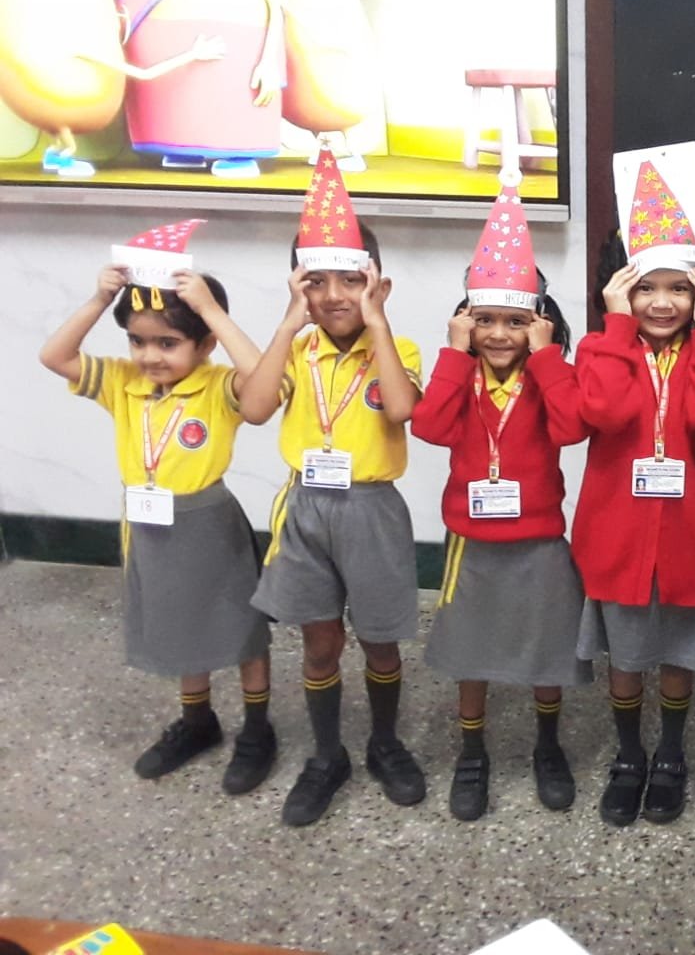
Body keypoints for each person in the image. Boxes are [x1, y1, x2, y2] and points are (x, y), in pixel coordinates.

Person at [39, 234, 276, 795]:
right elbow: (55, 356)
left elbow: (265, 391)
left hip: (210, 525)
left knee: (241, 629)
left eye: (168, 343)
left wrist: (212, 312)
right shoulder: (123, 381)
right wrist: (100, 299)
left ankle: (257, 729)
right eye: (138, 341)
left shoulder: (219, 385)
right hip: (150, 526)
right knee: (178, 623)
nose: (149, 356)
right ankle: (197, 721)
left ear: (204, 344)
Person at [237, 153, 424, 826]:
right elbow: (255, 408)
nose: (336, 295)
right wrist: (288, 322)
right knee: (319, 642)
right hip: (306, 510)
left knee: (379, 640)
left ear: (378, 284)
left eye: (353, 279)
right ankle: (326, 755)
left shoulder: (397, 347)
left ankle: (384, 742)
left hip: (372, 509)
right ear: (299, 288)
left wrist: (379, 325)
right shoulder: (296, 349)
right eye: (317, 282)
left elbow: (401, 409)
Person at [411, 175, 591, 821]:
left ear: (539, 326)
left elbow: (573, 430)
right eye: (483, 320)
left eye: (515, 322)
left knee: (546, 647)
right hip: (472, 540)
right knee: (471, 648)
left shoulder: (548, 376)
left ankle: (547, 744)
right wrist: (452, 354)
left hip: (539, 541)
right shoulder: (459, 376)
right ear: (466, 323)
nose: (497, 334)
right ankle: (472, 752)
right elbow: (428, 427)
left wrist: (548, 358)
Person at [574, 145, 695, 826]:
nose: (663, 302)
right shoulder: (600, 347)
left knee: (677, 650)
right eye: (645, 287)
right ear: (620, 290)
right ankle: (628, 754)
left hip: (687, 531)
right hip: (616, 532)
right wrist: (614, 324)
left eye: (679, 287)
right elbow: (605, 414)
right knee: (627, 652)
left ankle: (670, 753)